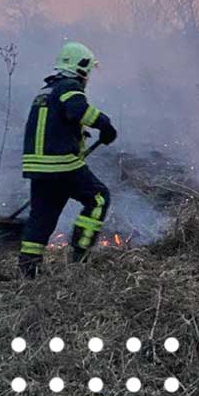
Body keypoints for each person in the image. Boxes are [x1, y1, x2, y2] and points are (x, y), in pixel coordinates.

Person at [17, 41, 117, 278]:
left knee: (42, 217)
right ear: (81, 68)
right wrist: (106, 125)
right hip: (62, 164)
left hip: (37, 167)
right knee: (99, 198)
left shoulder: (46, 91)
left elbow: (55, 122)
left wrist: (78, 133)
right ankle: (80, 255)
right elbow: (78, 110)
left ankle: (28, 270)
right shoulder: (70, 86)